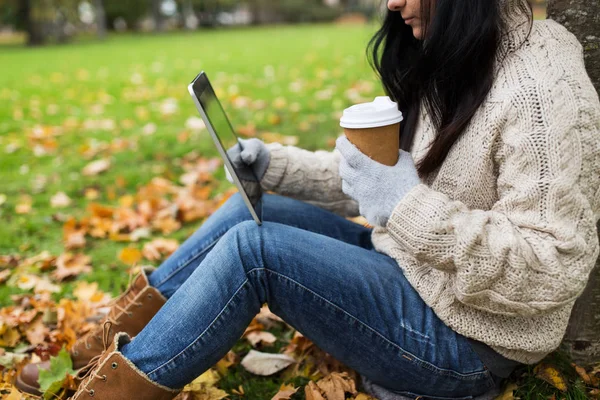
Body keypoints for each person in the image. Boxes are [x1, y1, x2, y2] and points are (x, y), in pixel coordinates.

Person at [16, 0, 600, 398]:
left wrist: (406, 207)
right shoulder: (465, 51)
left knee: (256, 250)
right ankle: (99, 348)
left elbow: (550, 270)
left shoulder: (541, 82)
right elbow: (380, 181)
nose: (393, 2)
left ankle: (113, 388)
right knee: (255, 210)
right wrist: (276, 167)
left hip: (468, 342)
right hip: (413, 274)